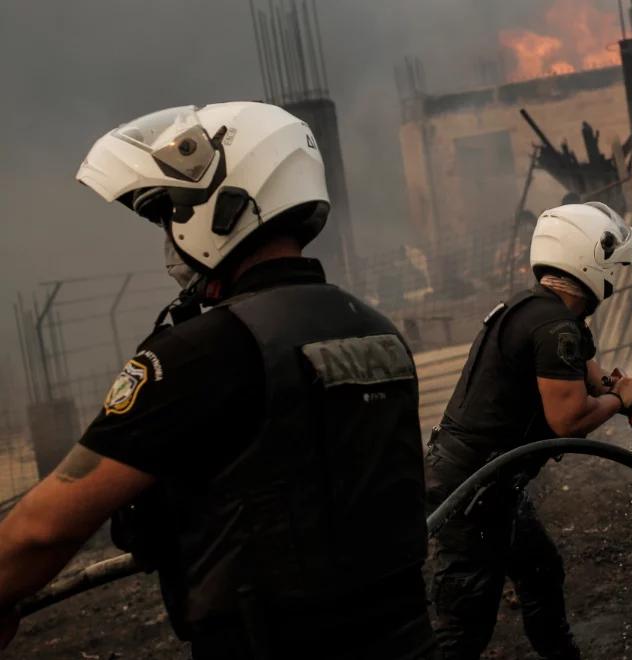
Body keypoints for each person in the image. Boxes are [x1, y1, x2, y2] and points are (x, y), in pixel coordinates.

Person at [0, 103, 434, 659]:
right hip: (406, 639)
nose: (168, 240)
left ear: (224, 208)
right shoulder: (376, 328)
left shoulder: (202, 353)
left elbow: (43, 530)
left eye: (169, 215)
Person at [426, 202, 632, 659]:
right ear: (593, 261)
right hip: (471, 491)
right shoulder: (553, 327)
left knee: (540, 572)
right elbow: (570, 419)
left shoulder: (548, 315)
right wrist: (622, 399)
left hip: (495, 483)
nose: (616, 280)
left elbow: (599, 383)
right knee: (463, 629)